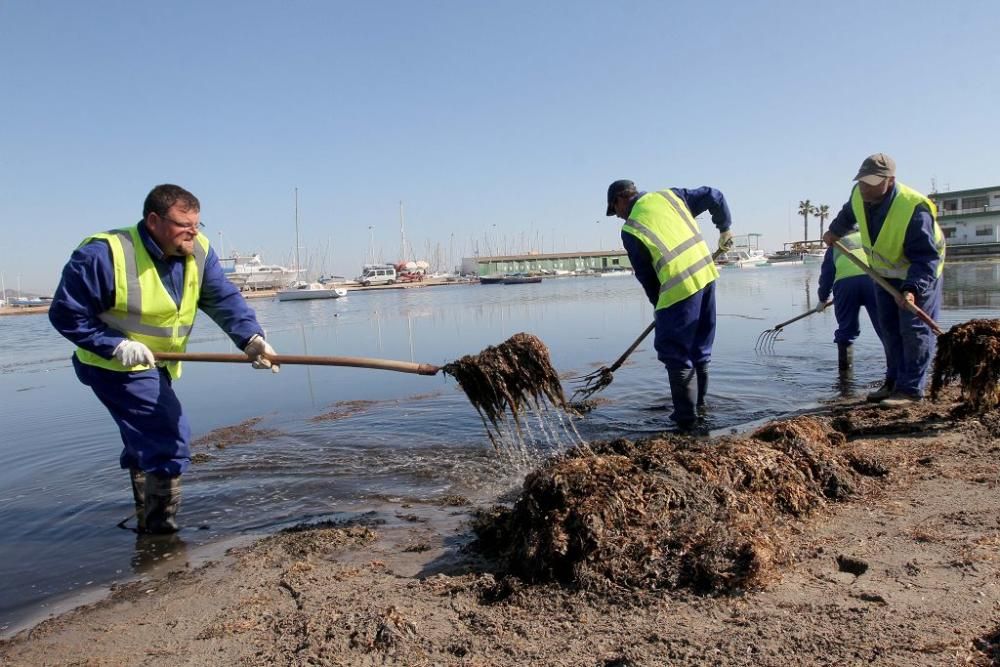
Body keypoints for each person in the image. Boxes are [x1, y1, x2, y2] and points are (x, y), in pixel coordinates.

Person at [49, 184, 281, 534]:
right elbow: (66, 315)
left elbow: (222, 298)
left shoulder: (199, 250)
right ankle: (161, 533)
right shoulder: (104, 255)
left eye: (197, 225)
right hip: (113, 366)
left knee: (146, 438)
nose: (193, 232)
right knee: (168, 434)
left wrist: (251, 338)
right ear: (154, 220)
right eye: (183, 225)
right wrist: (114, 345)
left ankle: (147, 523)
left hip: (160, 364)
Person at [606, 179, 734, 431]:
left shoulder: (631, 230)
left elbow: (646, 276)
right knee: (699, 349)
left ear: (621, 199)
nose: (618, 216)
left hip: (679, 288)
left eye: (615, 209)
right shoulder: (671, 197)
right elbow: (714, 195)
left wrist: (660, 307)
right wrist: (724, 228)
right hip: (707, 278)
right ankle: (700, 409)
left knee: (674, 352)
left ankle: (686, 422)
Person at [822, 154, 945, 406]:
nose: (865, 187)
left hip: (918, 272)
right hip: (883, 273)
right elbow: (848, 213)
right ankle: (892, 382)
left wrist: (912, 290)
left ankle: (910, 390)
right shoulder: (859, 193)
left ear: (889, 180)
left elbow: (925, 258)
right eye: (862, 181)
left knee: (914, 330)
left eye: (872, 182)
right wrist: (834, 231)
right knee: (888, 328)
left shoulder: (913, 208)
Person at [816, 230, 885, 372]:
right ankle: (896, 373)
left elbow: (827, 276)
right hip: (873, 281)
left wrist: (822, 299)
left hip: (845, 286)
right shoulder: (870, 237)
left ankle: (844, 374)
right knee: (886, 327)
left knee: (846, 330)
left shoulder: (835, 245)